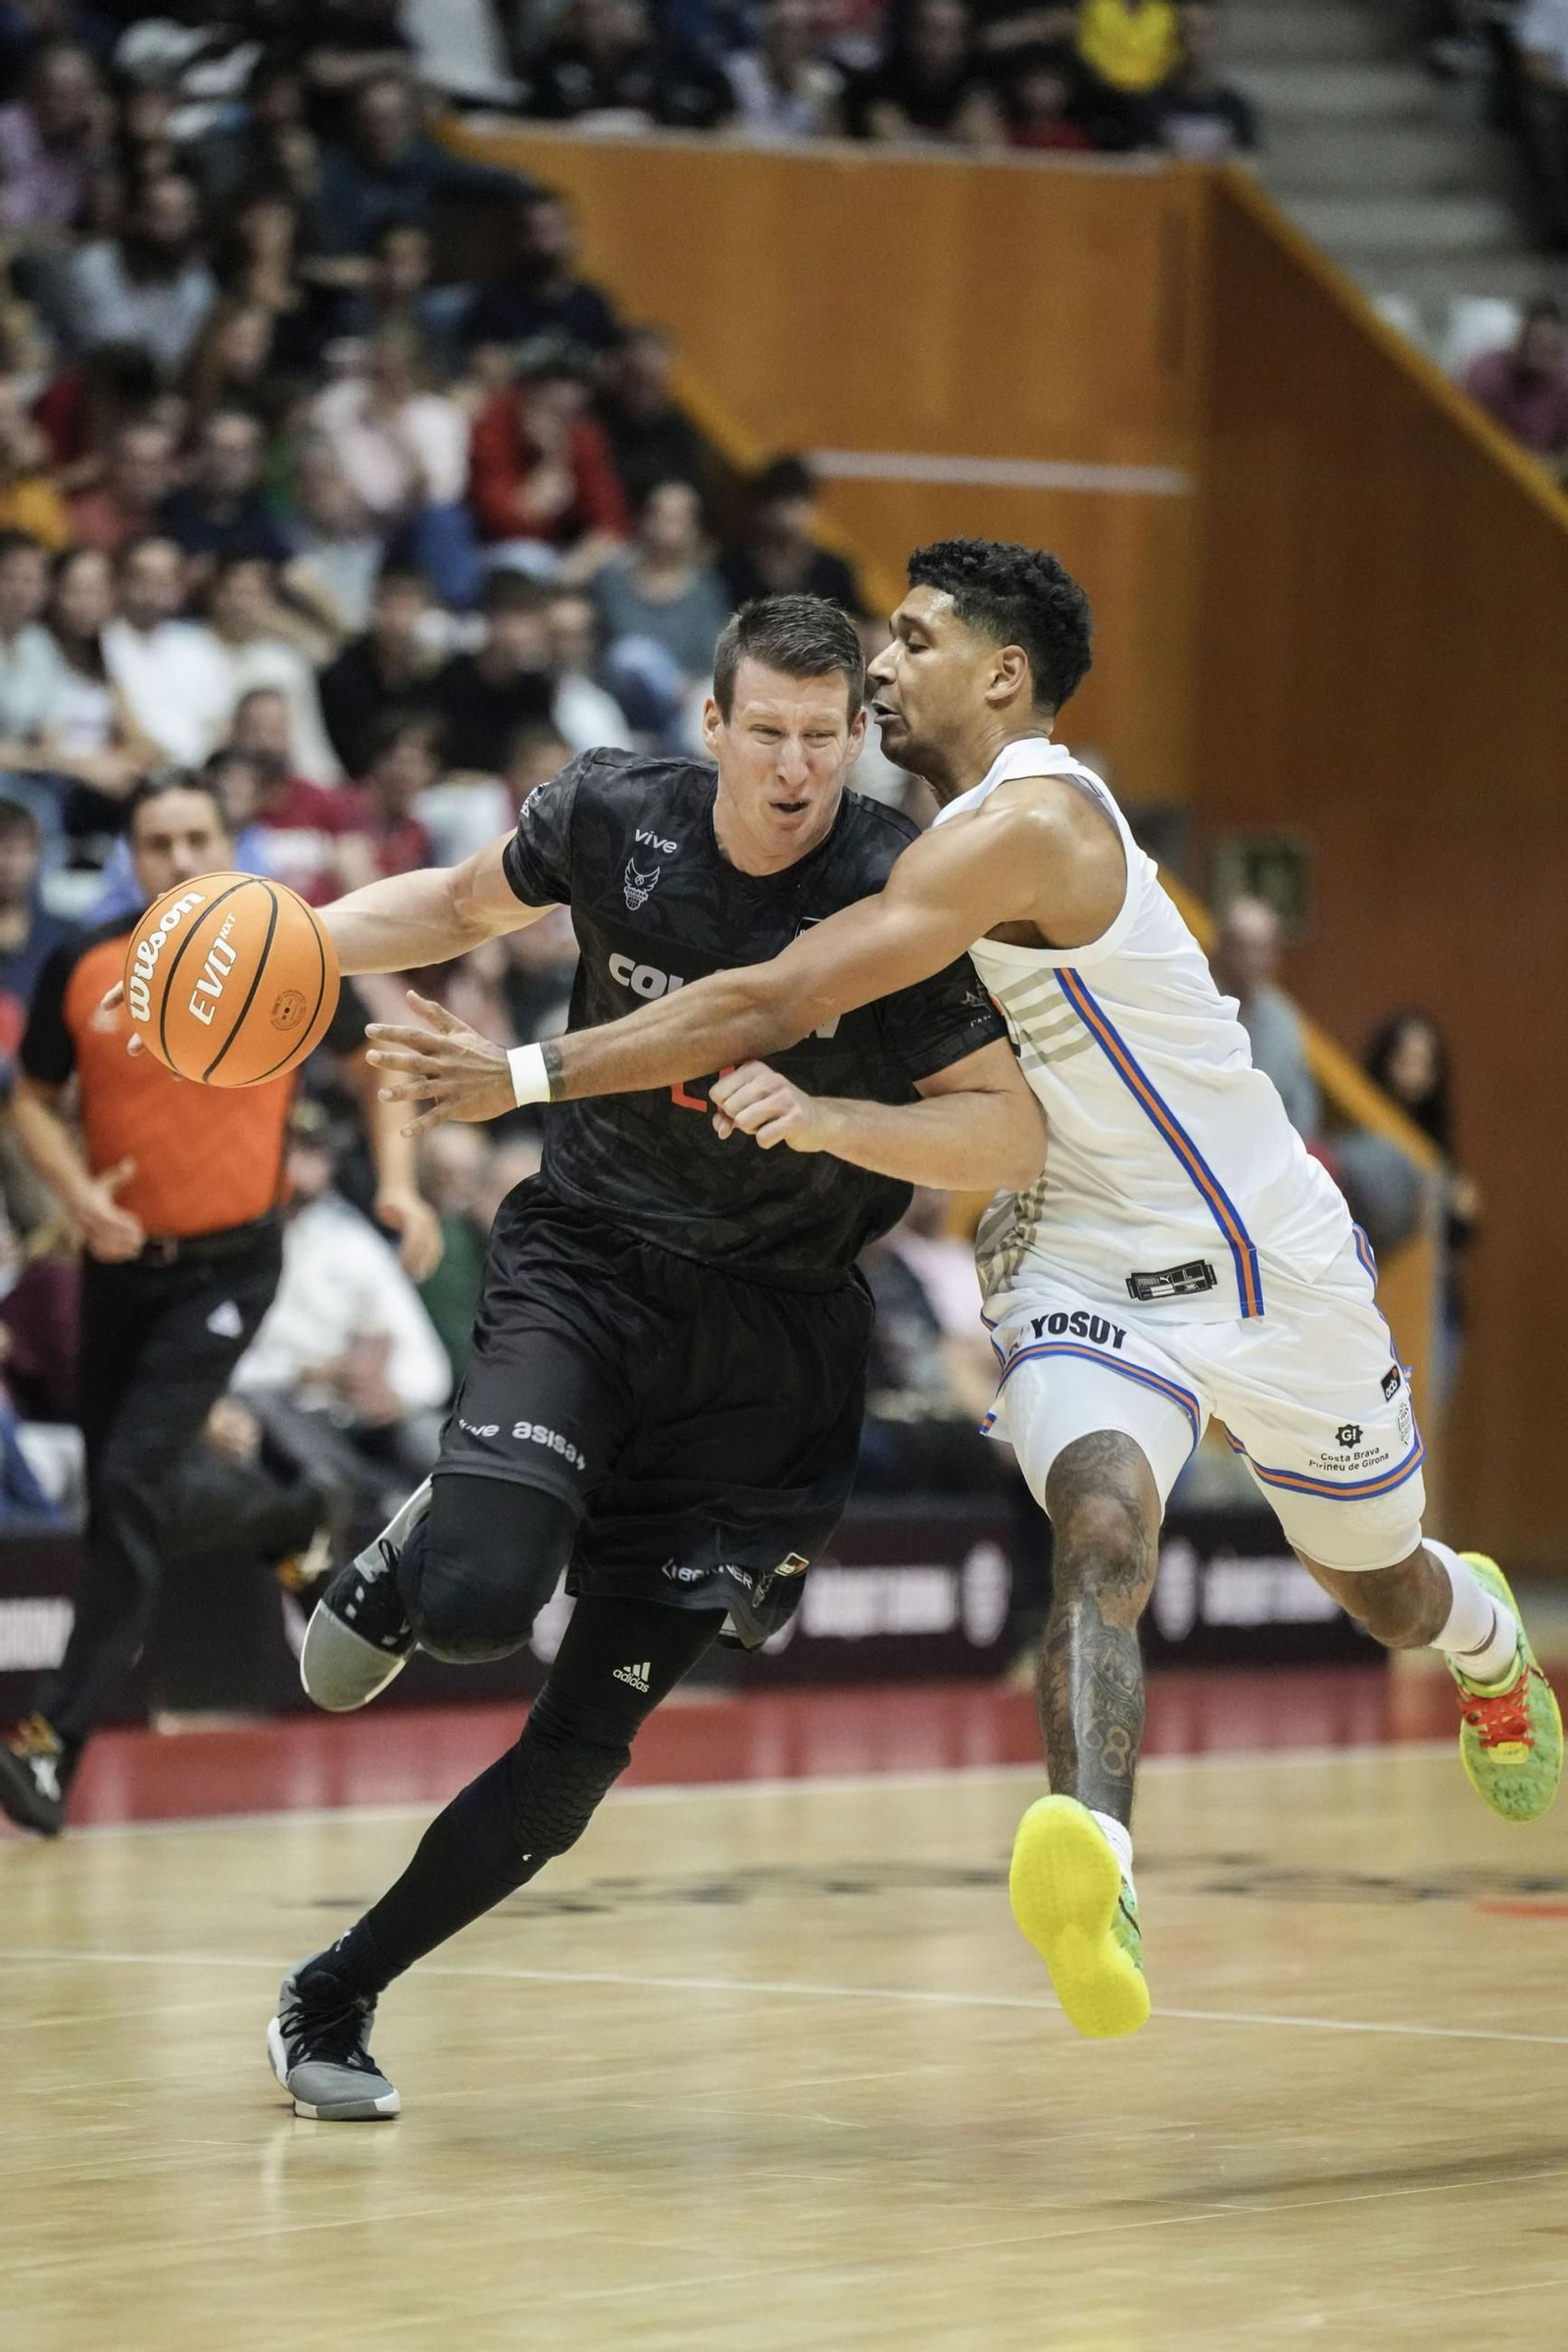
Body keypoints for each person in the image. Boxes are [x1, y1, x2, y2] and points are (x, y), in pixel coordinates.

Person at [376, 538, 1562, 2046]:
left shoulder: (1037, 820)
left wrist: (526, 1072)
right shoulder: (909, 837)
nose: (880, 664)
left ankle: (1484, 1642)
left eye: (914, 639)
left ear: (1003, 675)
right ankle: (1098, 1866)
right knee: (1103, 1529)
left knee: (1380, 1588)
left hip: (1265, 1258)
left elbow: (778, 997)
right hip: (1075, 1248)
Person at [252, 592, 1041, 2118]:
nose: (797, 768)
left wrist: (832, 1118)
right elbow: (456, 907)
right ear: (714, 724)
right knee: (476, 1611)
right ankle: (436, 1542)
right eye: (770, 733)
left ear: (854, 740)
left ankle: (331, 1993)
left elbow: (1006, 1132)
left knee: (576, 1759)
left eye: (825, 739)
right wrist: (276, 936)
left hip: (774, 1338)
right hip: (594, 1264)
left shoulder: (897, 893)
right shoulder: (619, 814)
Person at [0, 767, 438, 1837]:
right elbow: (33, 1102)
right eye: (159, 842)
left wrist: (396, 1183)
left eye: (198, 837)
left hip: (231, 1271)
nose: (180, 859)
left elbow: (376, 1067)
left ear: (229, 844)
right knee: (127, 1493)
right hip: (118, 1270)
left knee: (129, 1481)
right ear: (130, 857)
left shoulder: (281, 954)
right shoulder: (83, 960)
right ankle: (291, 1521)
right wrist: (77, 1195)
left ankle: (51, 1741)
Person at [1364, 1010, 1478, 1408]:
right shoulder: (1361, 1139)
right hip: (1371, 1303)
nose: (1413, 1074)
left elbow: (1463, 1228)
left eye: (1424, 1063)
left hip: (1433, 1311)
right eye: (1404, 1059)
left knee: (1421, 1423)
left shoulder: (1438, 1154)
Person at [59, 170, 219, 380]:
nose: (168, 228)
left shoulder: (197, 286)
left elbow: (171, 360)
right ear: (134, 215)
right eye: (159, 213)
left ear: (193, 221)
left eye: (179, 216)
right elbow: (98, 344)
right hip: (86, 379)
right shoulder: (94, 265)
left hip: (153, 388)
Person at [102, 535, 235, 768]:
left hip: (203, 770)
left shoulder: (200, 644)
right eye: (144, 577)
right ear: (121, 582)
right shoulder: (102, 642)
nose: (154, 588)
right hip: (137, 768)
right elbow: (122, 727)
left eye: (165, 578)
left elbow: (221, 722)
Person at [1209, 894, 1319, 1144]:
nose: (1252, 959)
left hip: (1273, 1147)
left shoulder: (1283, 1018)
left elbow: (1300, 1101)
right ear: (1221, 946)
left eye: (1262, 949)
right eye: (1242, 947)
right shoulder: (1196, 1004)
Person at [461, 188, 622, 359]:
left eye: (552, 230)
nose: (544, 244)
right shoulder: (494, 303)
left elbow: (611, 362)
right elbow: (483, 361)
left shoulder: (592, 304)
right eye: (534, 231)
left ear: (571, 235)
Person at [318, 560, 440, 778]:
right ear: (375, 605)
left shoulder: (432, 676)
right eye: (390, 605)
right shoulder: (342, 673)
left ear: (423, 610)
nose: (398, 619)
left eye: (407, 606)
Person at [720, 454, 866, 615]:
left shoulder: (833, 570)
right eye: (780, 502)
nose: (786, 514)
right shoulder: (733, 568)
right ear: (762, 509)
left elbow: (858, 619)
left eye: (796, 502)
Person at [1463, 300, 1568, 464]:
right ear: (1519, 341)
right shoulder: (1488, 375)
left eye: (1551, 346)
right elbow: (1466, 432)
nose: (1542, 354)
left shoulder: (1564, 384)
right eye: (1536, 343)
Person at [1153, 2, 1257, 158]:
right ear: (1174, 38)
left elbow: (1250, 161)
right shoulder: (1152, 105)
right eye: (1189, 32)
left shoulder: (1235, 107)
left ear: (1218, 38)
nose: (1195, 43)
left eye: (1205, 33)